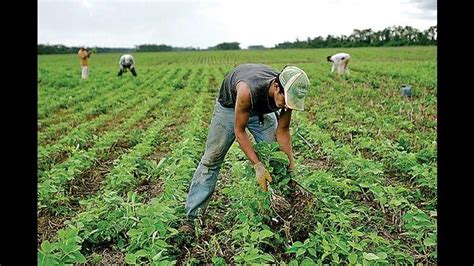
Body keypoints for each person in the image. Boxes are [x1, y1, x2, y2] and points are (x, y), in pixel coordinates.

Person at [180, 64, 310, 233]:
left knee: (276, 158)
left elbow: (283, 130)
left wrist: (290, 166)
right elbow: (239, 131)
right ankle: (192, 218)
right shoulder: (247, 90)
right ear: (276, 87)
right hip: (230, 108)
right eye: (286, 100)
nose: (286, 106)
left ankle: (279, 209)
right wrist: (257, 165)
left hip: (262, 113)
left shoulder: (286, 96)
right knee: (212, 159)